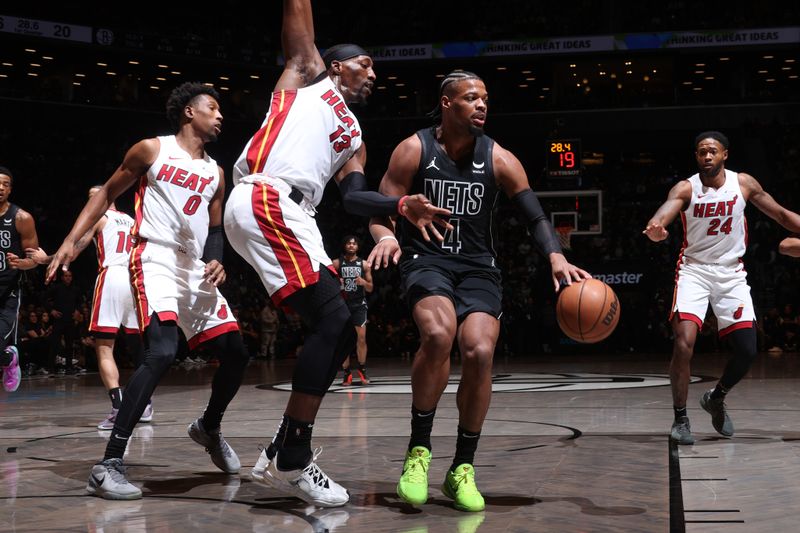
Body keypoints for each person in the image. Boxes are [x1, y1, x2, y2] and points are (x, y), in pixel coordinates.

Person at [225, 0, 450, 508]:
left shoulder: (355, 137)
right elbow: (298, 11)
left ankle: (286, 444)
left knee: (342, 325)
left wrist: (400, 205)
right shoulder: (306, 78)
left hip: (297, 214)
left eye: (374, 67)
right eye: (364, 63)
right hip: (267, 194)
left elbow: (352, 198)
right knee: (334, 320)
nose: (373, 72)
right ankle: (295, 456)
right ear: (334, 65)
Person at [367, 70, 590, 512]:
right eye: (471, 98)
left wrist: (555, 255)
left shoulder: (499, 158)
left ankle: (462, 468)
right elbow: (380, 208)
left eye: (485, 98)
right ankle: (419, 453)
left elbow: (535, 215)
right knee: (437, 335)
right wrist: (386, 237)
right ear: (447, 104)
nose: (482, 105)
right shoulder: (414, 149)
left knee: (480, 352)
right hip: (425, 260)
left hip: (477, 266)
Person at [47, 82, 250, 500]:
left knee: (236, 353)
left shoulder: (216, 171)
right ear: (188, 113)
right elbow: (106, 193)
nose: (220, 115)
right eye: (212, 108)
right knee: (161, 352)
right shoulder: (151, 149)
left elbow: (214, 226)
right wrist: (71, 239)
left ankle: (208, 427)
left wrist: (218, 258)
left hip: (193, 266)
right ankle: (108, 465)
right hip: (153, 256)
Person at [644, 131, 800, 445]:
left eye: (712, 151)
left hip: (732, 274)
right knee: (684, 343)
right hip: (694, 272)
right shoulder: (686, 188)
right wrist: (656, 229)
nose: (707, 157)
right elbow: (663, 213)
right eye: (701, 152)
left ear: (725, 154)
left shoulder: (743, 184)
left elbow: (782, 215)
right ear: (696, 156)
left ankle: (717, 396)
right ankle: (681, 418)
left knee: (747, 350)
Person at [29, 186, 151, 429]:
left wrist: (43, 259)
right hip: (137, 280)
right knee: (139, 345)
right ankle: (145, 403)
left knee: (104, 346)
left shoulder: (100, 218)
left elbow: (71, 252)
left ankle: (118, 408)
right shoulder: (133, 220)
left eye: (93, 197)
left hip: (112, 277)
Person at [0, 166, 40, 392]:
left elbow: (33, 258)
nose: (0, 187)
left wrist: (22, 263)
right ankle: (7, 359)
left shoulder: (22, 218)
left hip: (8, 289)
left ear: (10, 189)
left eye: (5, 184)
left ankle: (10, 358)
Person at [332, 235, 373, 385]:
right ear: (344, 245)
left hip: (359, 304)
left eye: (354, 243)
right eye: (348, 243)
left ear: (358, 247)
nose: (351, 245)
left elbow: (370, 288)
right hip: (342, 304)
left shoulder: (364, 264)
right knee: (344, 340)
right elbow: (327, 284)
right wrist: (337, 282)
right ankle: (346, 373)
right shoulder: (336, 264)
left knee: (361, 339)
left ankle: (361, 369)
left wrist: (363, 282)